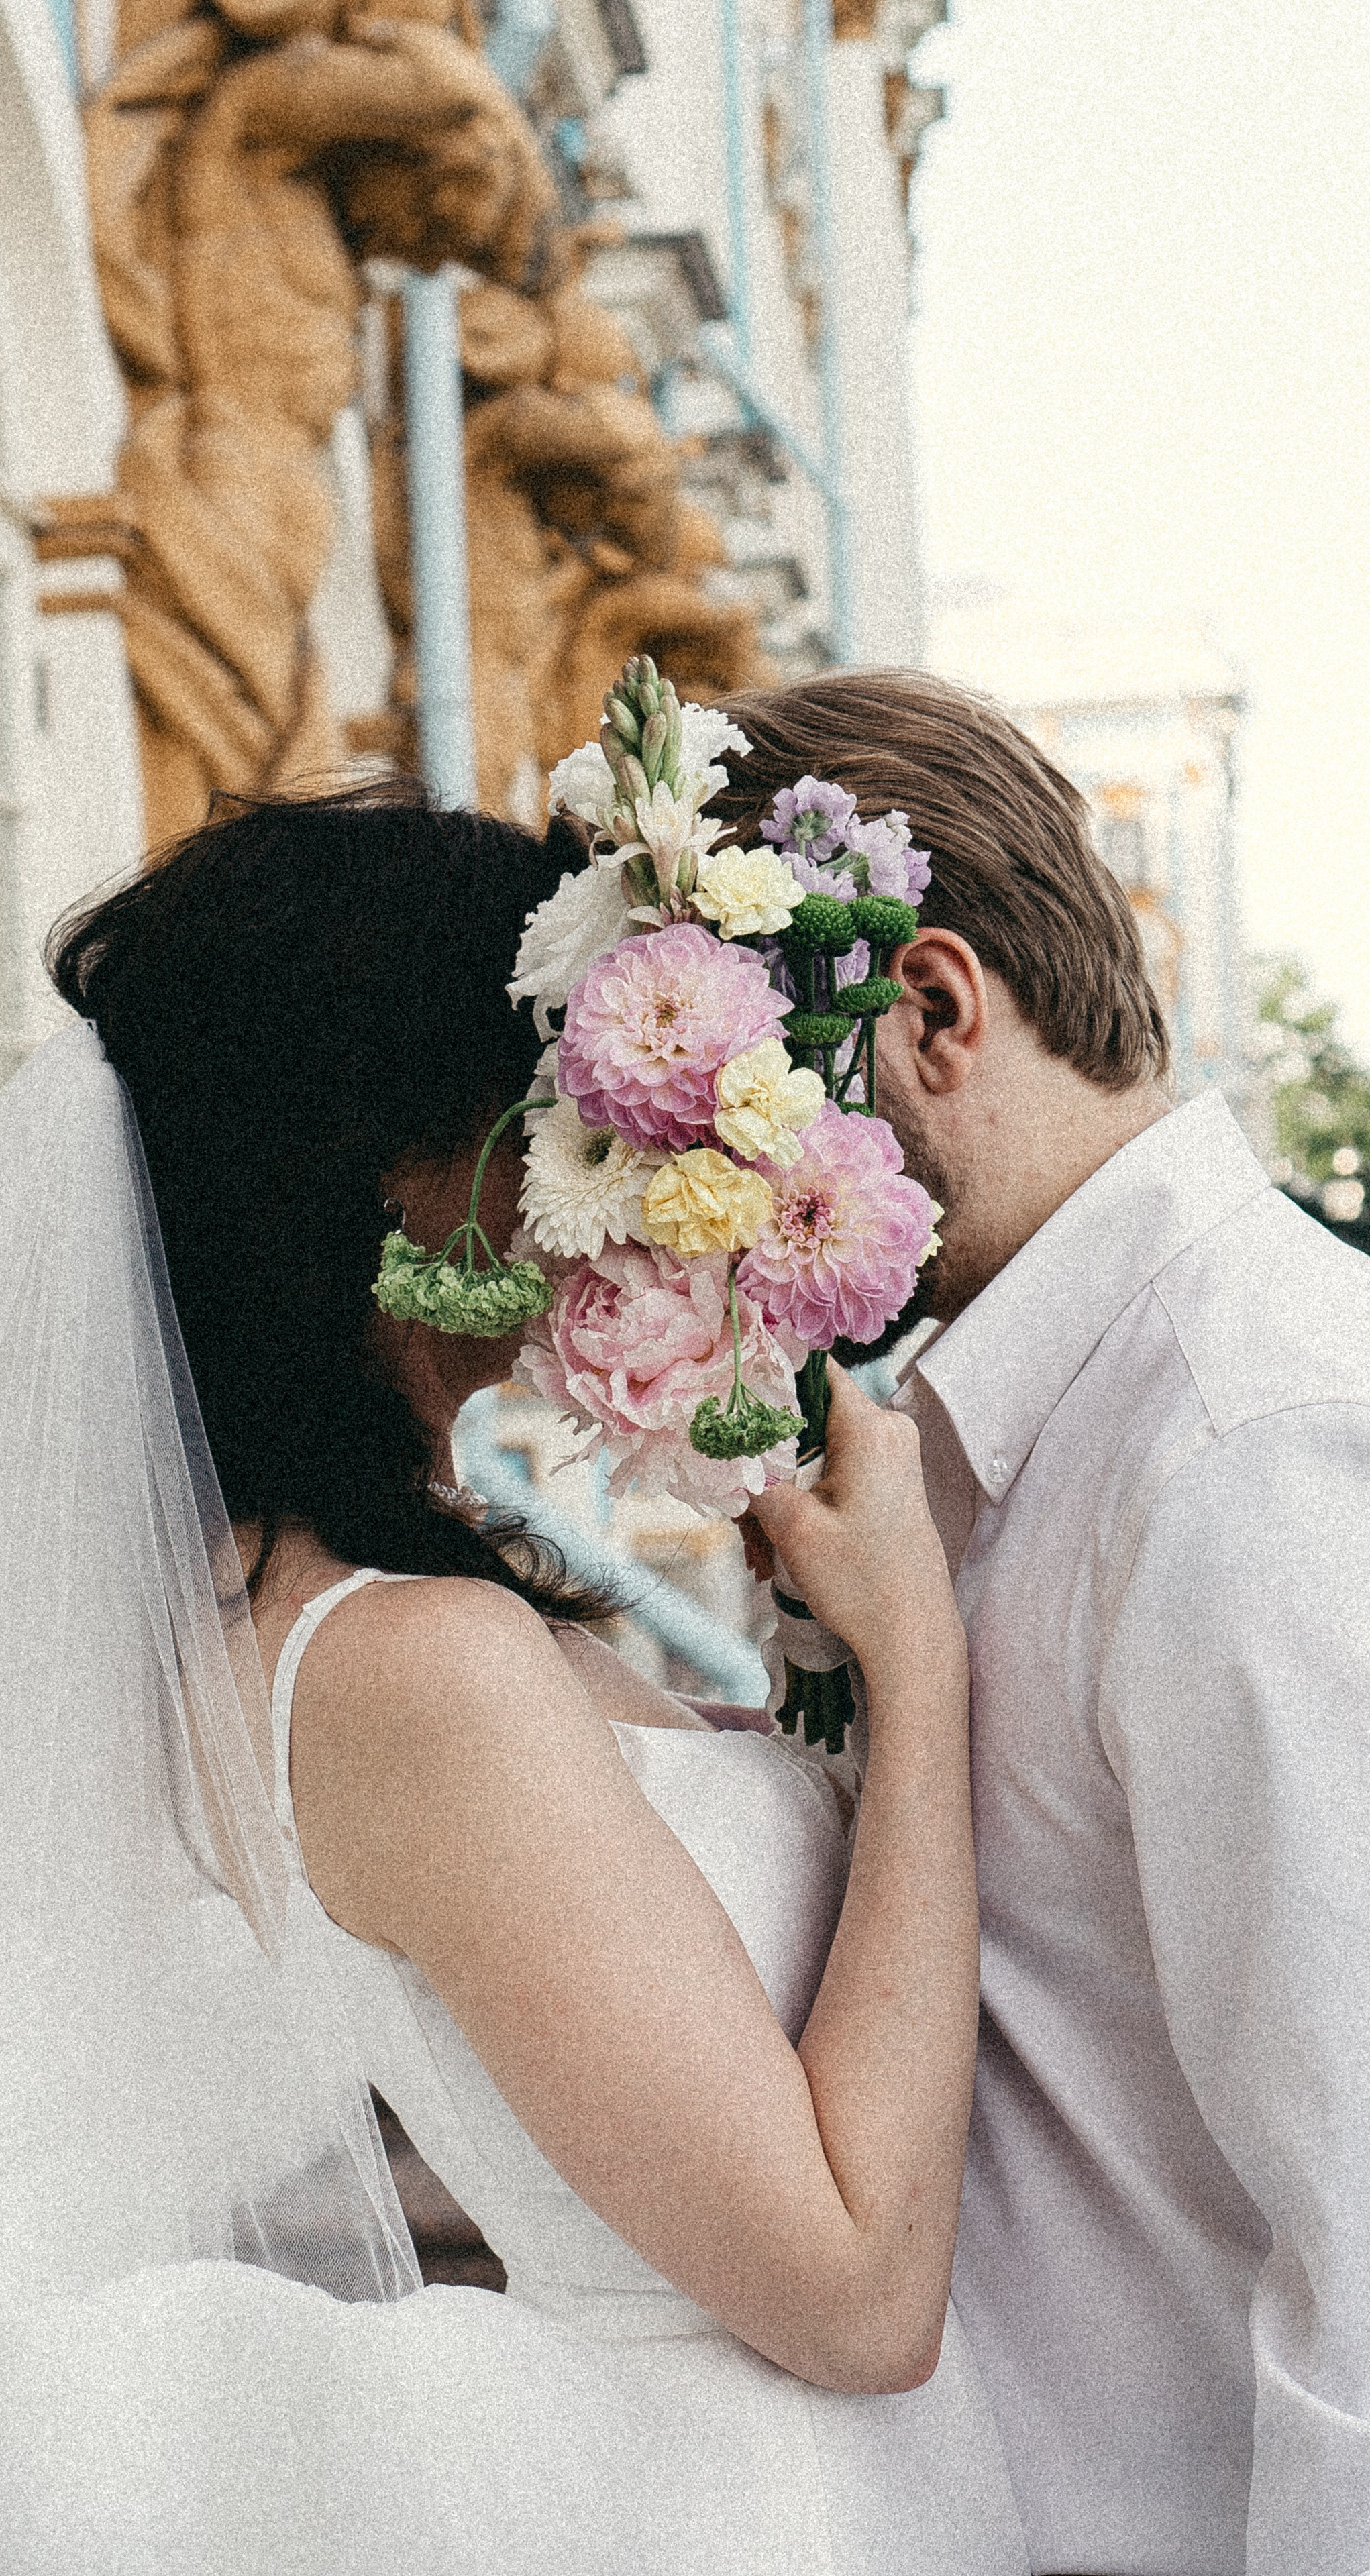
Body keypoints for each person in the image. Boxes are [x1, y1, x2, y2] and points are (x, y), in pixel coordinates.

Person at [0, 784, 1025, 2573]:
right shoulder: (405, 1660)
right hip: (754, 2496)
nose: (620, 1175)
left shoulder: (400, 1603)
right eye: (562, 1114)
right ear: (396, 1173)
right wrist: (918, 1680)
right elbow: (850, 2297)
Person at [717, 674, 1370, 2576]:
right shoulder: (971, 1441)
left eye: (738, 1106)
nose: (715, 1197)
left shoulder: (1253, 1443)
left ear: (929, 1009)